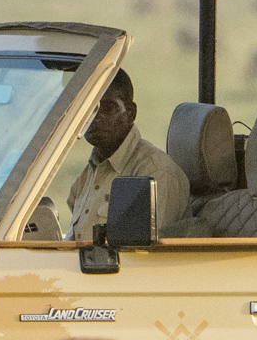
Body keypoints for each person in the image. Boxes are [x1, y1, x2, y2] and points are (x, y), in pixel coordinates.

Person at [66, 69, 191, 241]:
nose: (96, 118)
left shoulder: (156, 174)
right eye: (89, 108)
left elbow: (146, 258)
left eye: (108, 108)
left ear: (131, 113)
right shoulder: (92, 170)